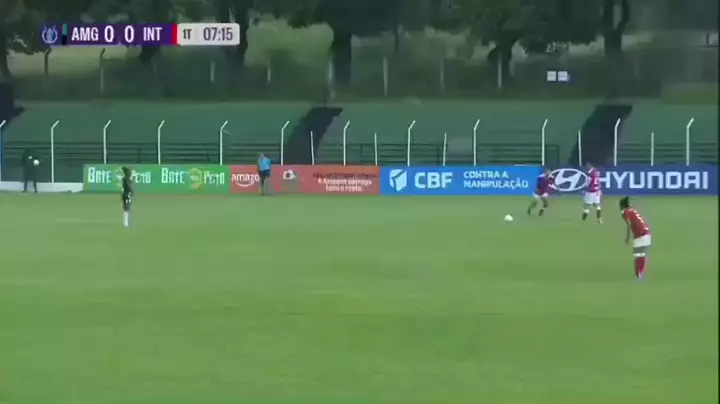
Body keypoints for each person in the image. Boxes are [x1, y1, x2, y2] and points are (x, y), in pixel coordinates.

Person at [620, 197, 651, 279]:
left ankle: (638, 274)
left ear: (621, 206)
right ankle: (640, 272)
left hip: (640, 235)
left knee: (637, 255)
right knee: (642, 254)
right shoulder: (632, 210)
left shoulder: (625, 212)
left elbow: (629, 225)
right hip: (647, 233)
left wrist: (627, 237)